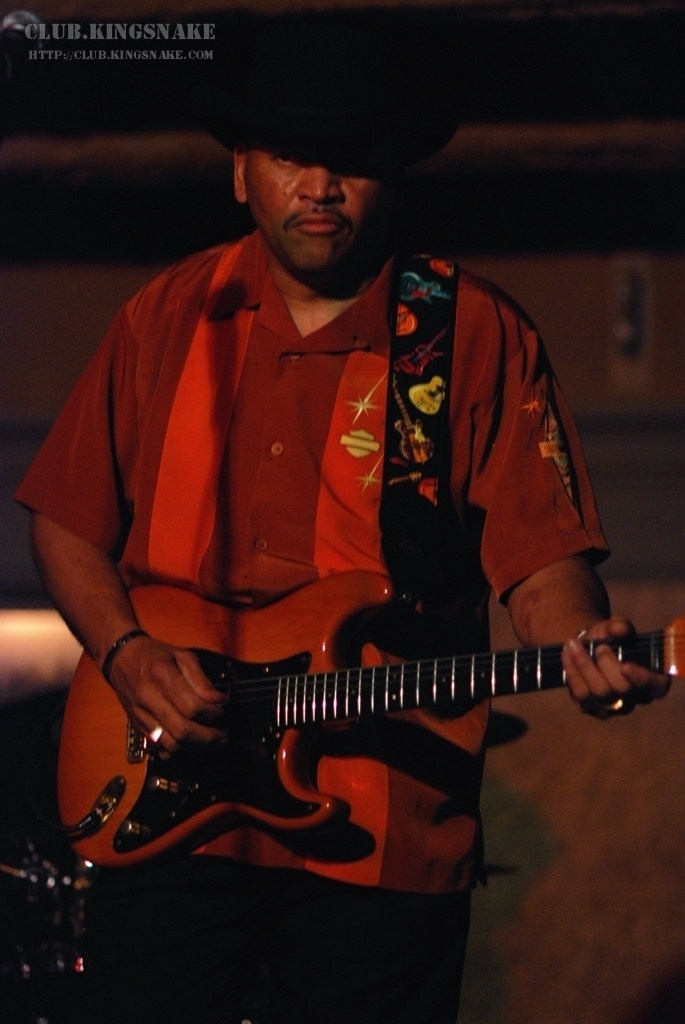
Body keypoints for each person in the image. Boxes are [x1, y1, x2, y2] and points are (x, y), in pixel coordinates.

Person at [15, 18, 672, 1024]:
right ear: (242, 172)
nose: (320, 187)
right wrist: (128, 651)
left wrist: (582, 644)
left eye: (352, 160)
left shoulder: (473, 334)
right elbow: (66, 521)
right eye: (291, 157)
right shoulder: (163, 316)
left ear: (394, 172)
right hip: (164, 799)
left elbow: (541, 559)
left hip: (384, 836)